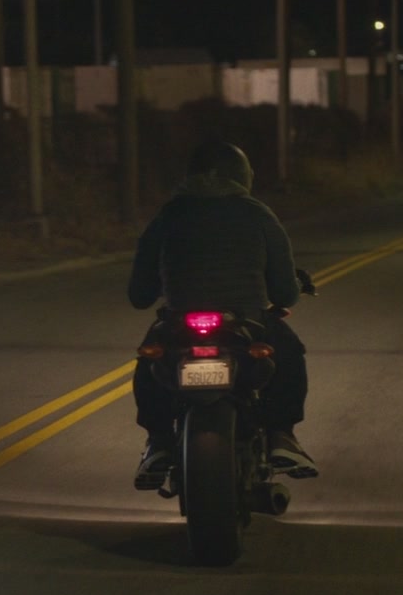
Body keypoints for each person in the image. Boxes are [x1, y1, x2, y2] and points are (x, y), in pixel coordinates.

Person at [127, 140, 316, 487]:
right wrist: (293, 287)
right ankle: (281, 435)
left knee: (149, 362)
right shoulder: (258, 214)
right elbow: (284, 293)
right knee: (289, 353)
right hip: (246, 320)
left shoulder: (168, 216)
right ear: (243, 176)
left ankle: (158, 442)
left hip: (179, 322)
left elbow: (139, 295)